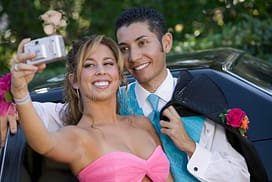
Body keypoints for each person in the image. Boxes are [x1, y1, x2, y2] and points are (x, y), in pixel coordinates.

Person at [3, 6, 252, 182]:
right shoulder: (110, 100)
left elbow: (240, 176)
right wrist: (8, 101)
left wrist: (190, 147)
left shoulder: (200, 99)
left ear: (165, 43)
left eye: (143, 43)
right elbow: (42, 116)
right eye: (124, 49)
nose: (134, 57)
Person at [10, 34, 173, 182]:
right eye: (89, 65)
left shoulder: (142, 124)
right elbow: (44, 143)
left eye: (108, 63)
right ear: (74, 81)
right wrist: (20, 92)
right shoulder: (78, 137)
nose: (100, 71)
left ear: (118, 73)